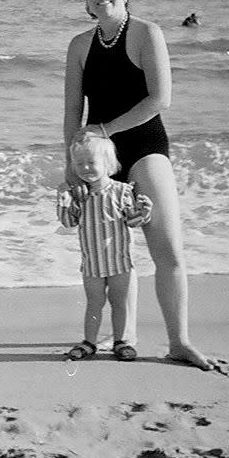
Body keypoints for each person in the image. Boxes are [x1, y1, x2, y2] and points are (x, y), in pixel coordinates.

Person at [63, 0, 220, 371]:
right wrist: (70, 166)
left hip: (145, 146)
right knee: (108, 254)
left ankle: (179, 341)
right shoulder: (80, 46)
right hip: (100, 158)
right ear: (86, 0)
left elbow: (159, 100)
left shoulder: (148, 34)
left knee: (167, 250)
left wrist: (106, 129)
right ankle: (122, 338)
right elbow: (70, 114)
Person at [57, 133, 152, 361]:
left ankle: (121, 341)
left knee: (119, 303)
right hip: (92, 264)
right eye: (79, 164)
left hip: (119, 262)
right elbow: (69, 222)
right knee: (94, 304)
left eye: (92, 163)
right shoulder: (79, 195)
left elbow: (132, 221)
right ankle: (89, 342)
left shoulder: (122, 191)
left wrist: (145, 211)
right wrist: (63, 202)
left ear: (108, 165)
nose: (86, 168)